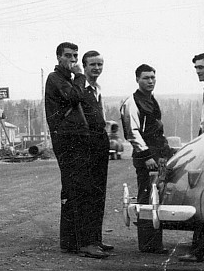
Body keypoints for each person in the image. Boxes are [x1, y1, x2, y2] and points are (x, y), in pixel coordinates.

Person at [44, 41, 106, 258]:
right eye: (68, 56)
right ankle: (84, 243)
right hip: (67, 142)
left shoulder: (65, 79)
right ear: (59, 57)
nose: (72, 60)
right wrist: (80, 76)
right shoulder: (56, 79)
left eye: (75, 56)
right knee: (79, 191)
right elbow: (73, 97)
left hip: (74, 140)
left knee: (73, 191)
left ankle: (71, 241)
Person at [120, 64, 170, 253]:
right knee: (146, 197)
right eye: (146, 78)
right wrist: (146, 156)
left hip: (158, 156)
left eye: (152, 78)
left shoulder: (151, 100)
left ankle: (155, 243)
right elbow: (132, 132)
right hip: (146, 158)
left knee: (158, 197)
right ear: (137, 80)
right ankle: (147, 244)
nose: (150, 81)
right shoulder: (132, 102)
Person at [80, 50, 113, 253]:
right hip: (86, 144)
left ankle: (96, 238)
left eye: (100, 64)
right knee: (88, 193)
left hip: (100, 143)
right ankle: (87, 242)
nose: (97, 68)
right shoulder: (80, 89)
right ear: (84, 66)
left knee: (99, 193)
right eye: (92, 64)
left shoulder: (97, 89)